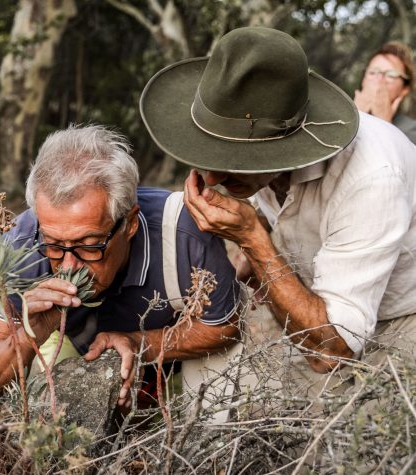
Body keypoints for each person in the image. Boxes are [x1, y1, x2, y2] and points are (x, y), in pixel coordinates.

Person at [139, 27, 416, 395]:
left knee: (372, 443)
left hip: (399, 319)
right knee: (297, 428)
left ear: (288, 147)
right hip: (318, 302)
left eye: (237, 160)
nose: (212, 176)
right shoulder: (262, 167)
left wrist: (252, 239)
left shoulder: (372, 178)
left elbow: (331, 353)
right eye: (208, 152)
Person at [0, 124, 240, 407]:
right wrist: (31, 333)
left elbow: (224, 327)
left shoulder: (184, 232)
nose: (69, 266)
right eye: (53, 245)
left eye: (89, 245)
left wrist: (139, 344)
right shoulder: (24, 244)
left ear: (130, 223)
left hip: (174, 362)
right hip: (76, 349)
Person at [354, 41, 416, 144]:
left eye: (391, 75)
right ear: (363, 81)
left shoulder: (412, 130)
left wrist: (384, 124)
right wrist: (355, 118)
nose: (379, 80)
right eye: (372, 72)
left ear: (405, 89)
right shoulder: (336, 117)